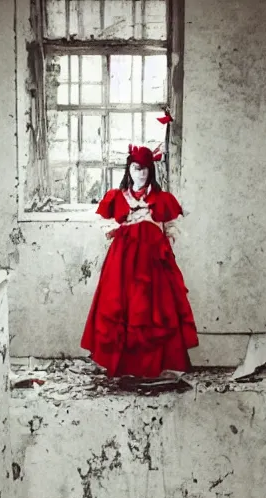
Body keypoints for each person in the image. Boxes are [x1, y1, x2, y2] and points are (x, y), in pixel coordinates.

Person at [81, 143, 198, 379]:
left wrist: (164, 244)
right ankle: (124, 367)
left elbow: (171, 227)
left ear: (151, 171)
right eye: (136, 168)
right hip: (122, 265)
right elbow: (105, 223)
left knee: (154, 310)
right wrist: (118, 230)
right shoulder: (117, 197)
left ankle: (153, 367)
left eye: (145, 169)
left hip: (153, 265)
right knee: (121, 308)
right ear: (129, 170)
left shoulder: (162, 199)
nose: (141, 173)